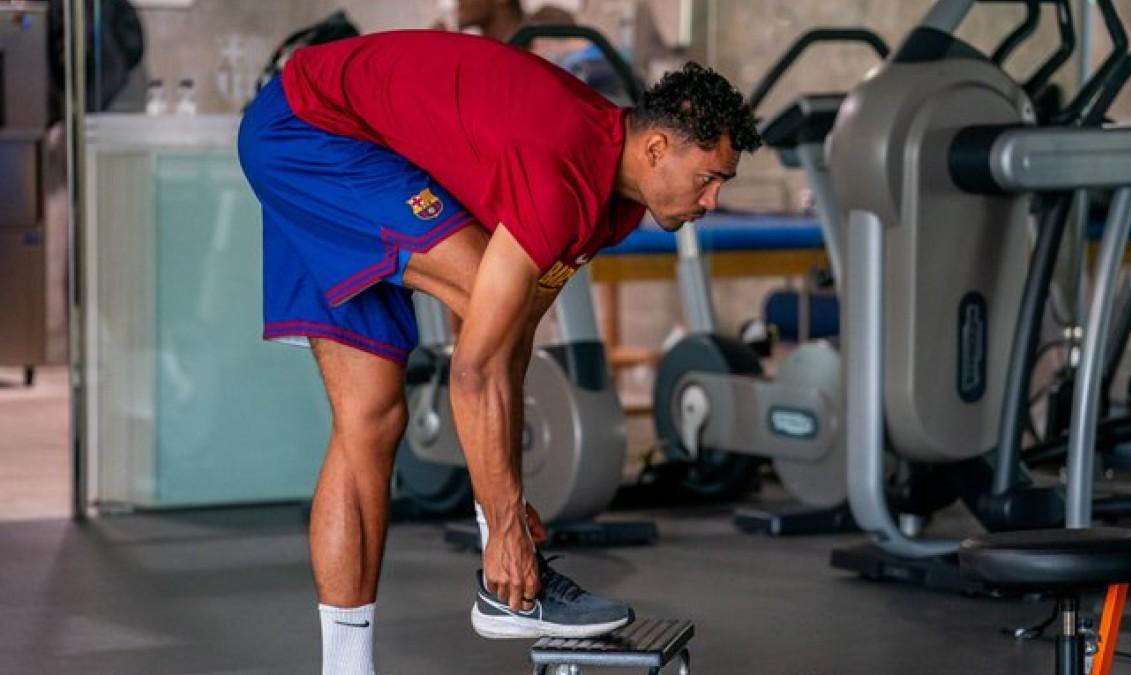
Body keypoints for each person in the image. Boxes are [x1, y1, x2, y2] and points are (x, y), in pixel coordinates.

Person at [237, 29, 760, 675]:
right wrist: (504, 522)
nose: (713, 200)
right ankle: (505, 586)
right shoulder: (562, 167)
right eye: (709, 178)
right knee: (486, 292)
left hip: (323, 137)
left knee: (371, 417)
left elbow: (512, 339)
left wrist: (501, 492)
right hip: (310, 132)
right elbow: (479, 362)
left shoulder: (612, 199)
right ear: (657, 148)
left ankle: (348, 668)